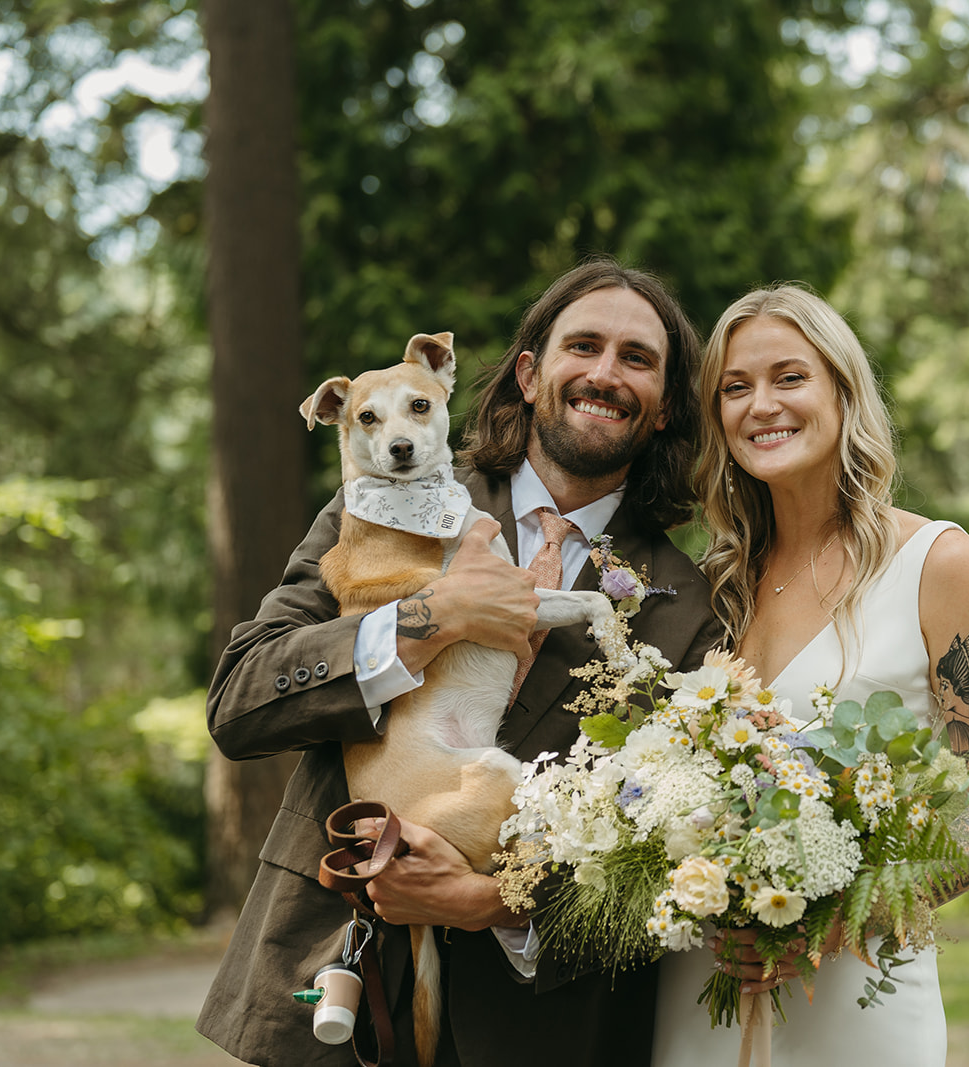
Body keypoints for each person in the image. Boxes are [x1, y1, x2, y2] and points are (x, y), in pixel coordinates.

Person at [196, 258, 726, 1067]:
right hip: (338, 991)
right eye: (582, 345)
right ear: (528, 373)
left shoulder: (691, 606)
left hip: (539, 1030)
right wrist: (429, 617)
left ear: (662, 409)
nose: (604, 373)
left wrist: (495, 904)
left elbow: (665, 864)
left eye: (637, 358)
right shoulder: (383, 495)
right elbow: (241, 699)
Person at [650, 285, 969, 1066]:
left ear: (842, 390)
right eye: (735, 387)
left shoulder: (939, 563)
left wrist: (837, 922)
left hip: (856, 992)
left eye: (789, 377)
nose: (762, 404)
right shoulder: (712, 586)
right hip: (702, 990)